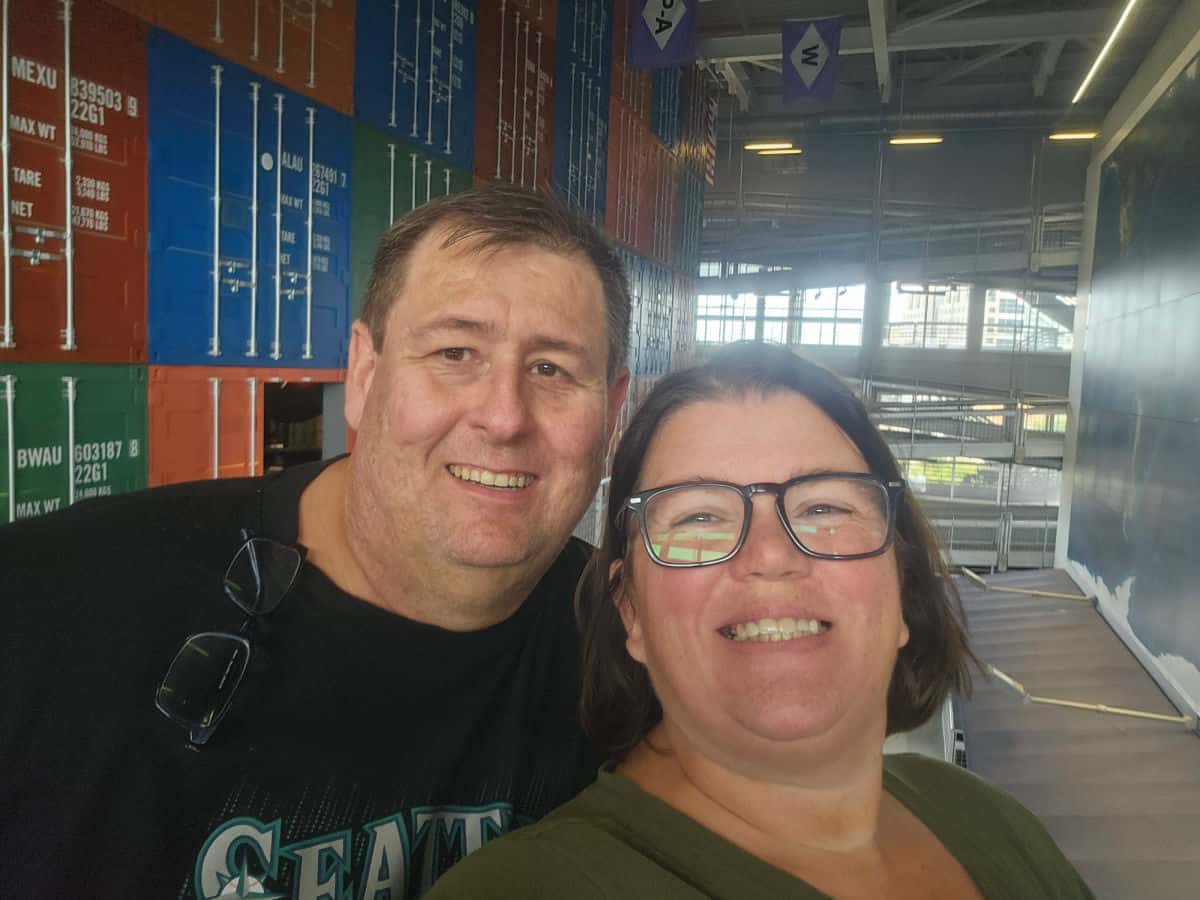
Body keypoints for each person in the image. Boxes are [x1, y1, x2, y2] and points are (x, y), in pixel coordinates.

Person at [0, 185, 630, 899]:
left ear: (612, 413)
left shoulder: (639, 646)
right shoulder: (47, 608)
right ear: (364, 373)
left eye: (552, 369)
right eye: (455, 352)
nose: (505, 416)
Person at [426, 342, 1095, 900]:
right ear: (632, 611)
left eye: (824, 508)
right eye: (699, 516)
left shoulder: (989, 822)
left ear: (902, 582)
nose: (771, 556)